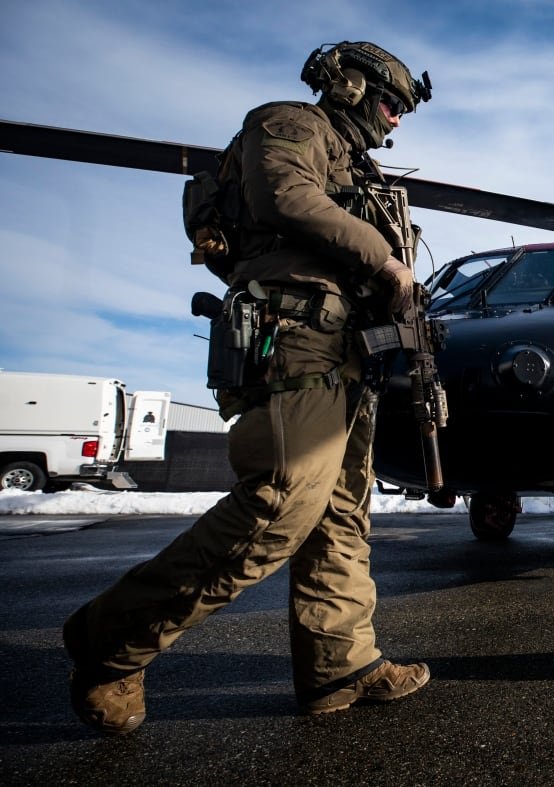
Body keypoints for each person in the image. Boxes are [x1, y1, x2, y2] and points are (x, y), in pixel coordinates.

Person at [63, 41, 433, 734]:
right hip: (295, 330)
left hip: (350, 343)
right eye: (391, 103)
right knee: (282, 502)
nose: (395, 121)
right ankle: (111, 639)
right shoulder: (290, 122)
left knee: (343, 514)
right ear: (350, 86)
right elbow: (283, 195)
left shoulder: (358, 164)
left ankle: (340, 666)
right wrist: (388, 262)